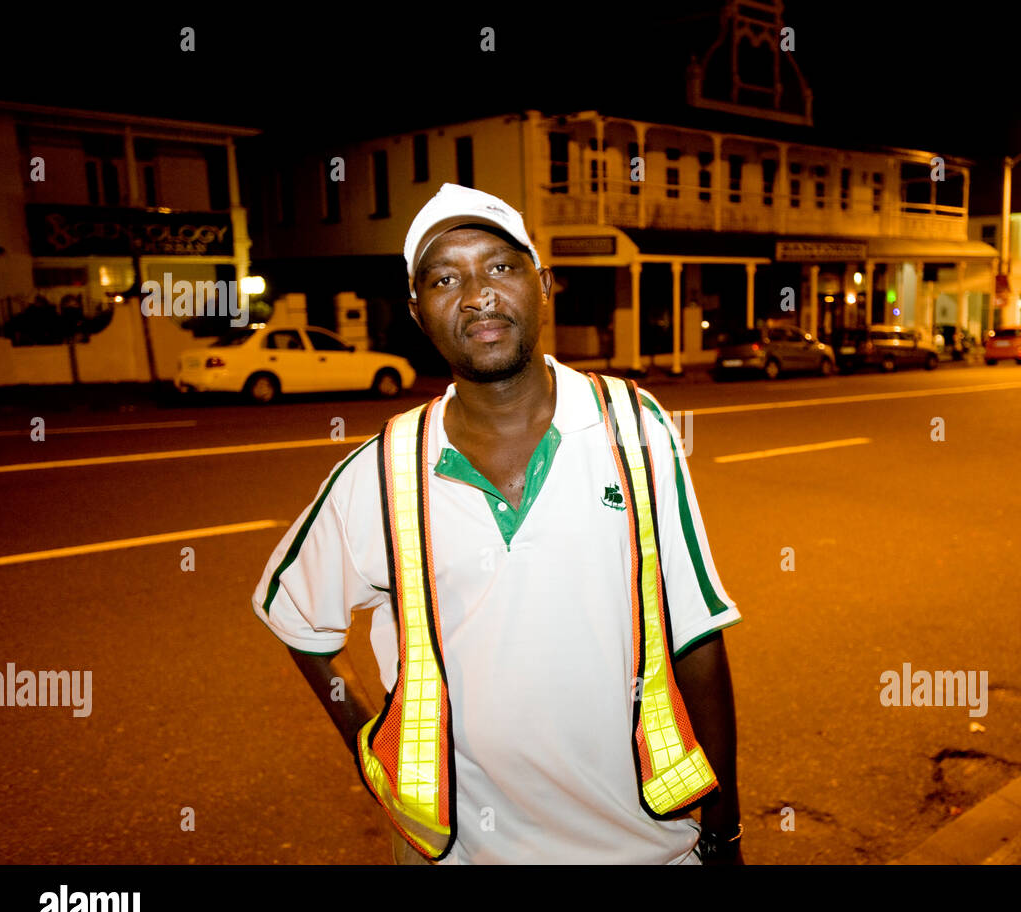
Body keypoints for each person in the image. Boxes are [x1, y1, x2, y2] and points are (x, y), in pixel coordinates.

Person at [252, 183, 745, 865]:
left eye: (500, 266)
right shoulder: (383, 469)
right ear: (418, 313)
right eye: (445, 278)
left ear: (543, 285)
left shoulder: (635, 426)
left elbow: (695, 634)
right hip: (459, 852)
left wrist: (724, 831)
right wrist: (376, 748)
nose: (478, 294)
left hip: (650, 846)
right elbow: (300, 622)